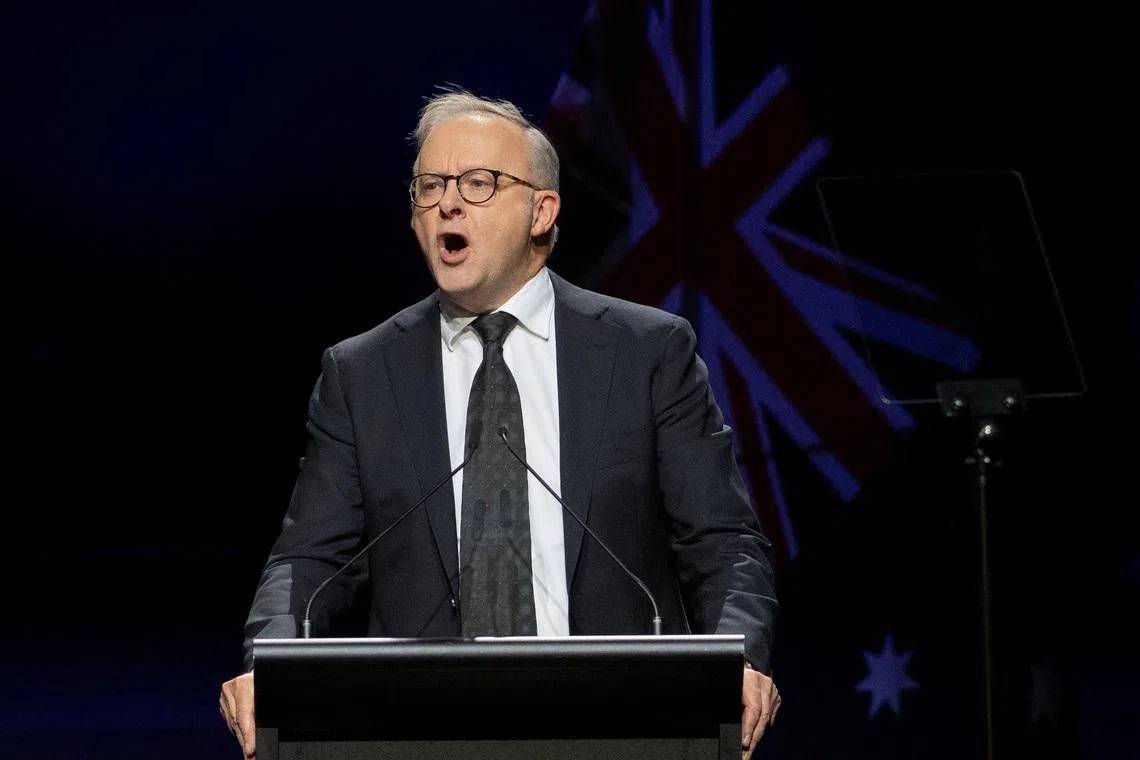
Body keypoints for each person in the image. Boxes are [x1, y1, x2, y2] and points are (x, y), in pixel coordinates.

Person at [219, 85, 781, 758]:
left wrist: (741, 659)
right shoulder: (363, 373)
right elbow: (306, 563)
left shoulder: (648, 352)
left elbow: (723, 544)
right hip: (421, 733)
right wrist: (268, 663)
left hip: (619, 727)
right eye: (429, 187)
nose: (447, 202)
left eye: (478, 183)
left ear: (542, 210)